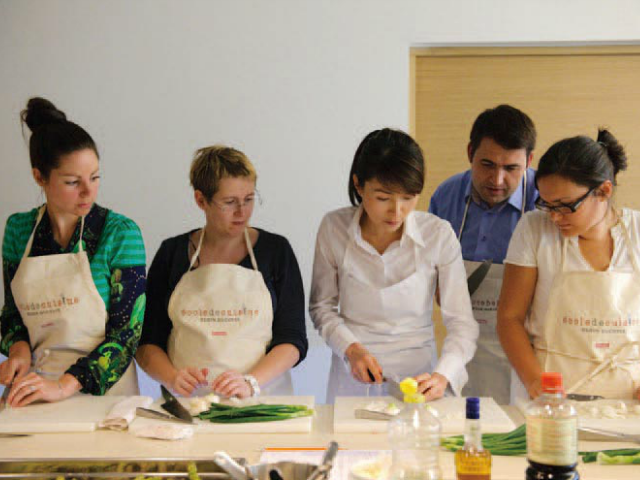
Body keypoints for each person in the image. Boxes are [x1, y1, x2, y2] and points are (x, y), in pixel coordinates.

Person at [310, 128, 478, 403]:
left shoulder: (438, 234)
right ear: (358, 185)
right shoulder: (334, 228)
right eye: (383, 198)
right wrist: (351, 349)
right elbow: (321, 307)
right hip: (352, 377)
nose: (397, 211)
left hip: (419, 378)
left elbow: (462, 323)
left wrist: (443, 375)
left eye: (408, 197)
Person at [0, 97, 146, 407]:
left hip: (106, 397)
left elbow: (126, 335)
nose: (88, 191)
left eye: (95, 177)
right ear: (39, 177)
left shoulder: (120, 233)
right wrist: (18, 350)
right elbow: (12, 315)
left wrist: (62, 387)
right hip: (32, 388)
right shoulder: (19, 231)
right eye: (72, 182)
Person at [136, 145, 307, 398]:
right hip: (188, 405)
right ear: (201, 200)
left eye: (249, 199)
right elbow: (147, 342)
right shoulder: (172, 254)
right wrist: (172, 378)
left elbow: (293, 339)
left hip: (263, 402)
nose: (242, 212)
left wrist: (250, 382)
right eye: (230, 202)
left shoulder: (276, 251)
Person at [498, 129, 640, 401]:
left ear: (603, 191)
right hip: (552, 397)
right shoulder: (534, 229)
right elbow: (509, 318)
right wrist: (536, 382)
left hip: (629, 398)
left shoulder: (637, 232)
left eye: (564, 206)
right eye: (547, 204)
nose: (554, 217)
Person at [429, 105, 537, 405]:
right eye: (487, 164)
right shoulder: (446, 196)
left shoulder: (544, 200)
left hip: (527, 351)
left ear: (529, 161)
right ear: (470, 153)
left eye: (511, 168)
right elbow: (431, 272)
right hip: (464, 348)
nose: (497, 180)